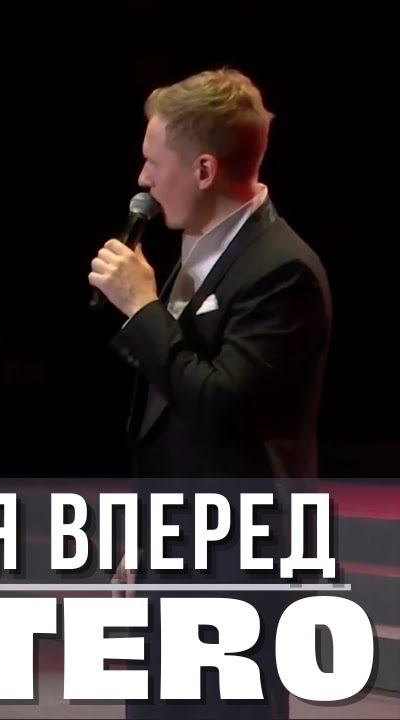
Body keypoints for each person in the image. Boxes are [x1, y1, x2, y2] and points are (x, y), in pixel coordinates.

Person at [90, 68, 332, 719]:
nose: (142, 179)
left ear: (203, 170)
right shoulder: (198, 254)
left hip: (237, 564)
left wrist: (143, 309)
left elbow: (219, 404)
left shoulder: (281, 269)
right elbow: (168, 409)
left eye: (153, 161)